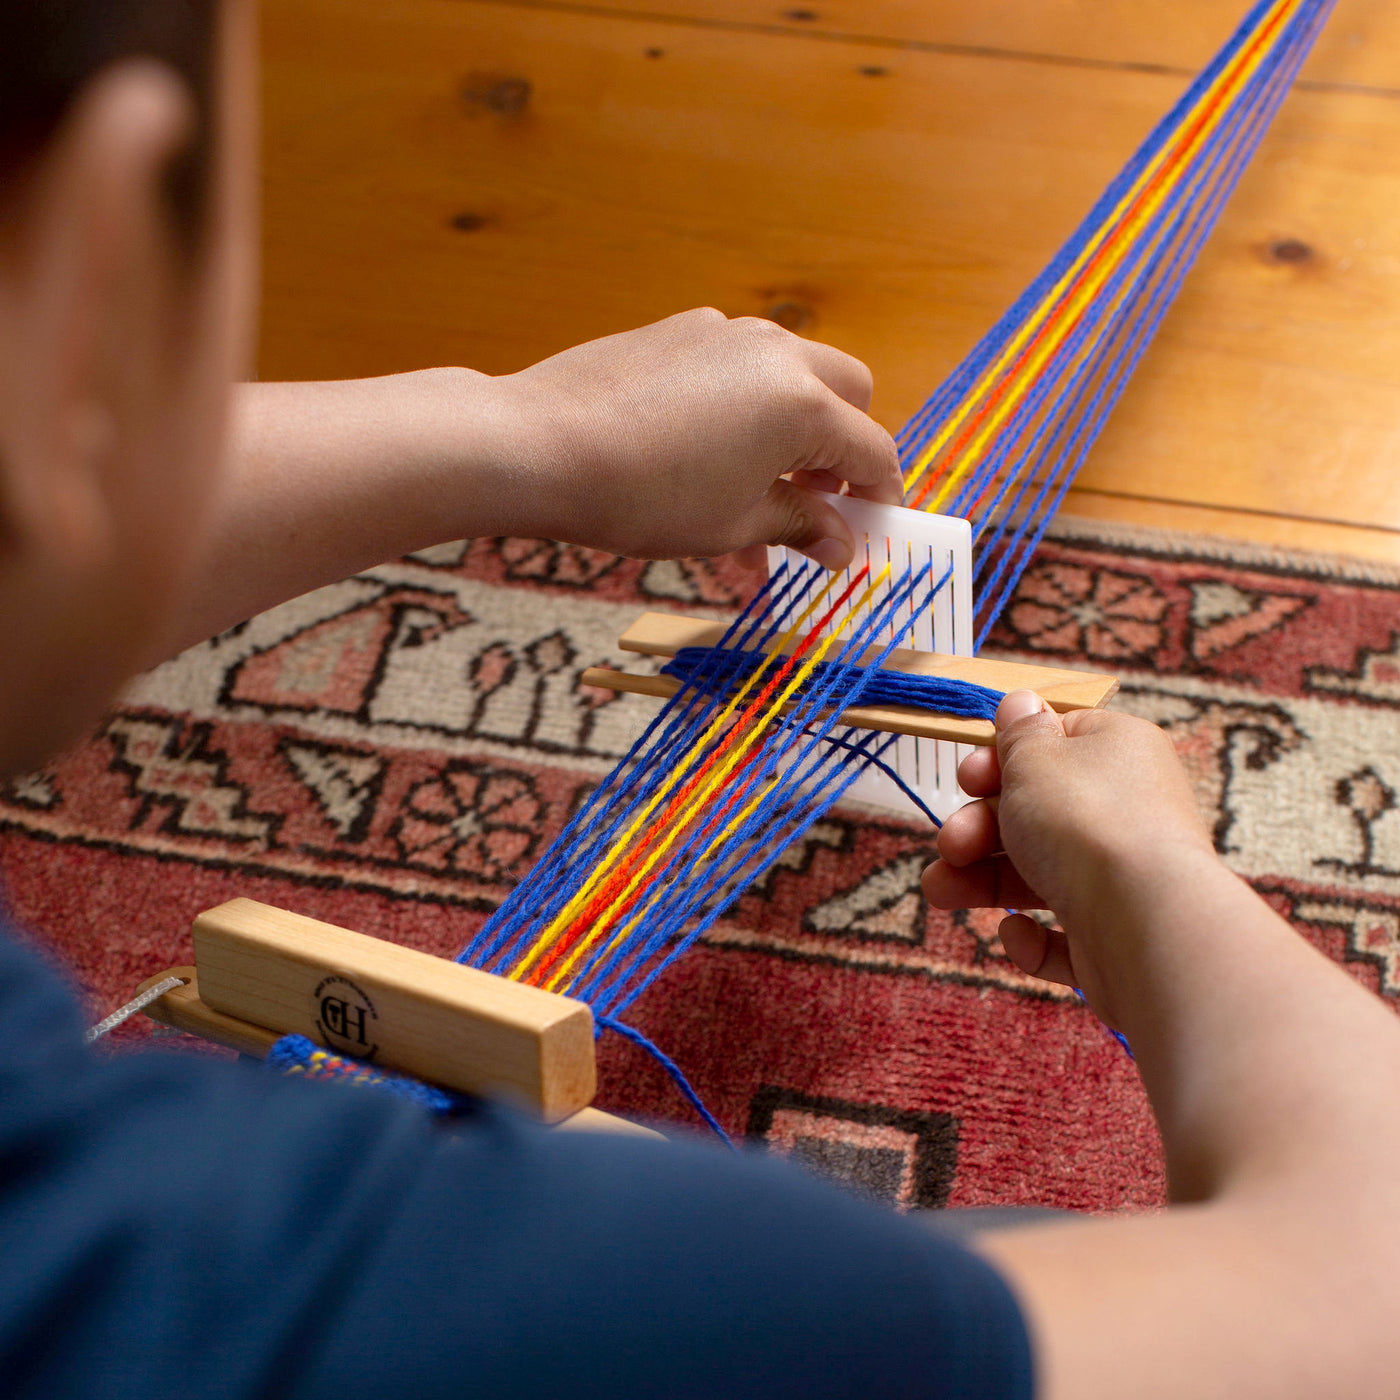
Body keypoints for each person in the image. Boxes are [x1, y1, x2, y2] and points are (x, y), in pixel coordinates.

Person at [2, 3, 1399, 1397]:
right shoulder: (302, 1281)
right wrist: (1144, 872)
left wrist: (528, 433)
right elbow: (1363, 1279)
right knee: (1033, 1274)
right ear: (98, 251)